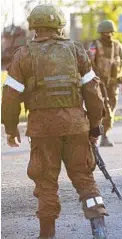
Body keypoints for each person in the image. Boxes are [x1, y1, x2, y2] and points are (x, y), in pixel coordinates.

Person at [1, 4, 108, 238]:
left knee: (46, 182)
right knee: (84, 177)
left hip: (42, 129)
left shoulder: (24, 55)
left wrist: (10, 129)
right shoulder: (76, 51)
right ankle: (99, 228)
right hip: (76, 126)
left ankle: (47, 235)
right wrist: (94, 127)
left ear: (34, 27)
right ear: (60, 26)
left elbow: (10, 97)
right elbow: (93, 92)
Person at [89, 19, 122, 147]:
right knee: (101, 110)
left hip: (113, 85)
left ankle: (104, 134)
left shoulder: (118, 46)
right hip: (99, 84)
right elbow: (88, 64)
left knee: (111, 109)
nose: (108, 35)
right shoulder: (95, 46)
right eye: (105, 33)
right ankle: (99, 136)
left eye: (109, 32)